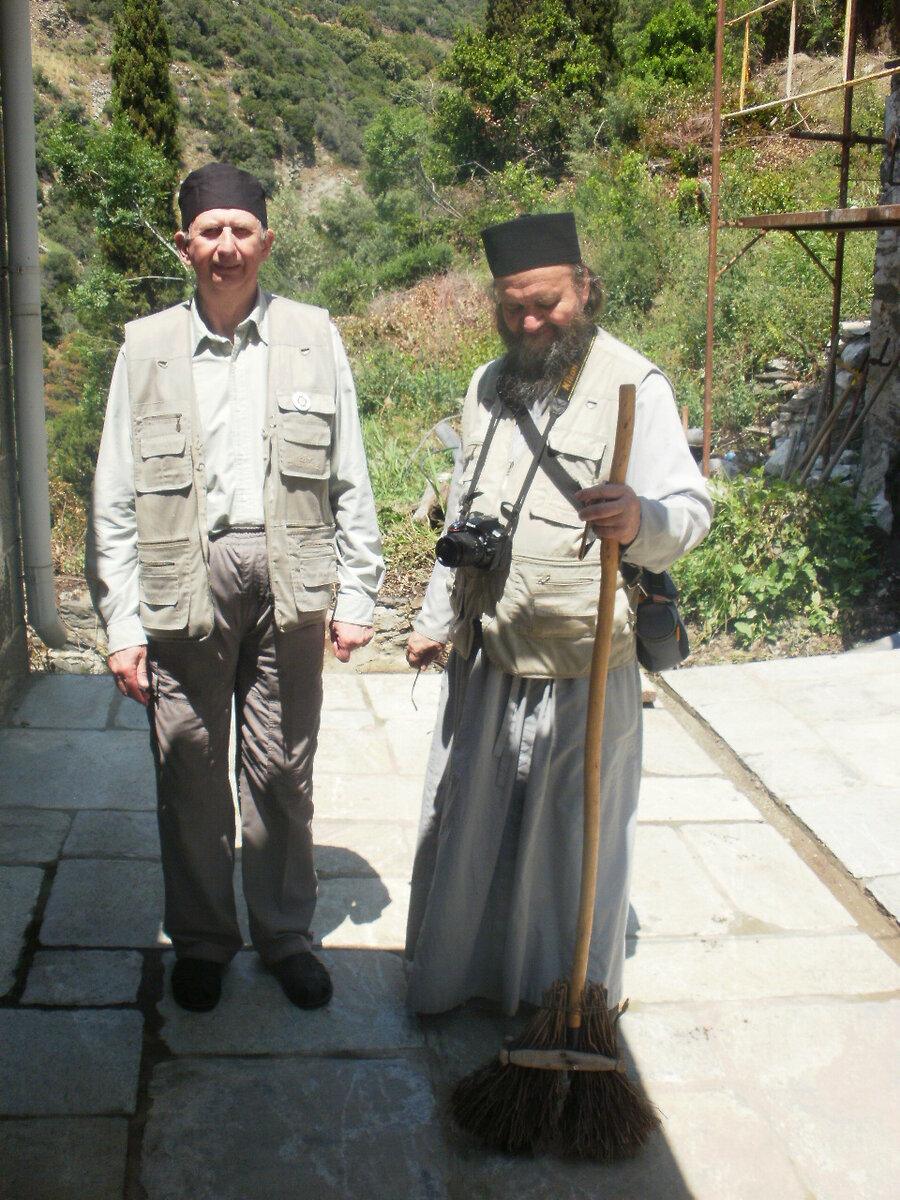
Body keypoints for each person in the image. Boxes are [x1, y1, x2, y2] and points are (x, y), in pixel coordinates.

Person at [86, 163, 384, 1013]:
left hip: (289, 569)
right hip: (186, 574)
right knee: (187, 764)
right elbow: (113, 490)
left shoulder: (312, 335)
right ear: (185, 244)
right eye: (208, 232)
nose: (225, 247)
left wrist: (358, 592)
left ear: (266, 241)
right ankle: (207, 939)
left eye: (240, 231)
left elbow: (347, 471)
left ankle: (286, 931)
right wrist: (119, 621)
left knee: (285, 766)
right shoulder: (145, 347)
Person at [404, 212, 712, 1016]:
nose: (531, 323)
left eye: (546, 304)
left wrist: (641, 517)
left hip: (579, 667)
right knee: (470, 829)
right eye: (513, 308)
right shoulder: (486, 384)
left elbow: (690, 510)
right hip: (487, 653)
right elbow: (462, 510)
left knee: (570, 846)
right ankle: (464, 979)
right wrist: (435, 618)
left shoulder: (633, 387)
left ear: (585, 289)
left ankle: (554, 1001)